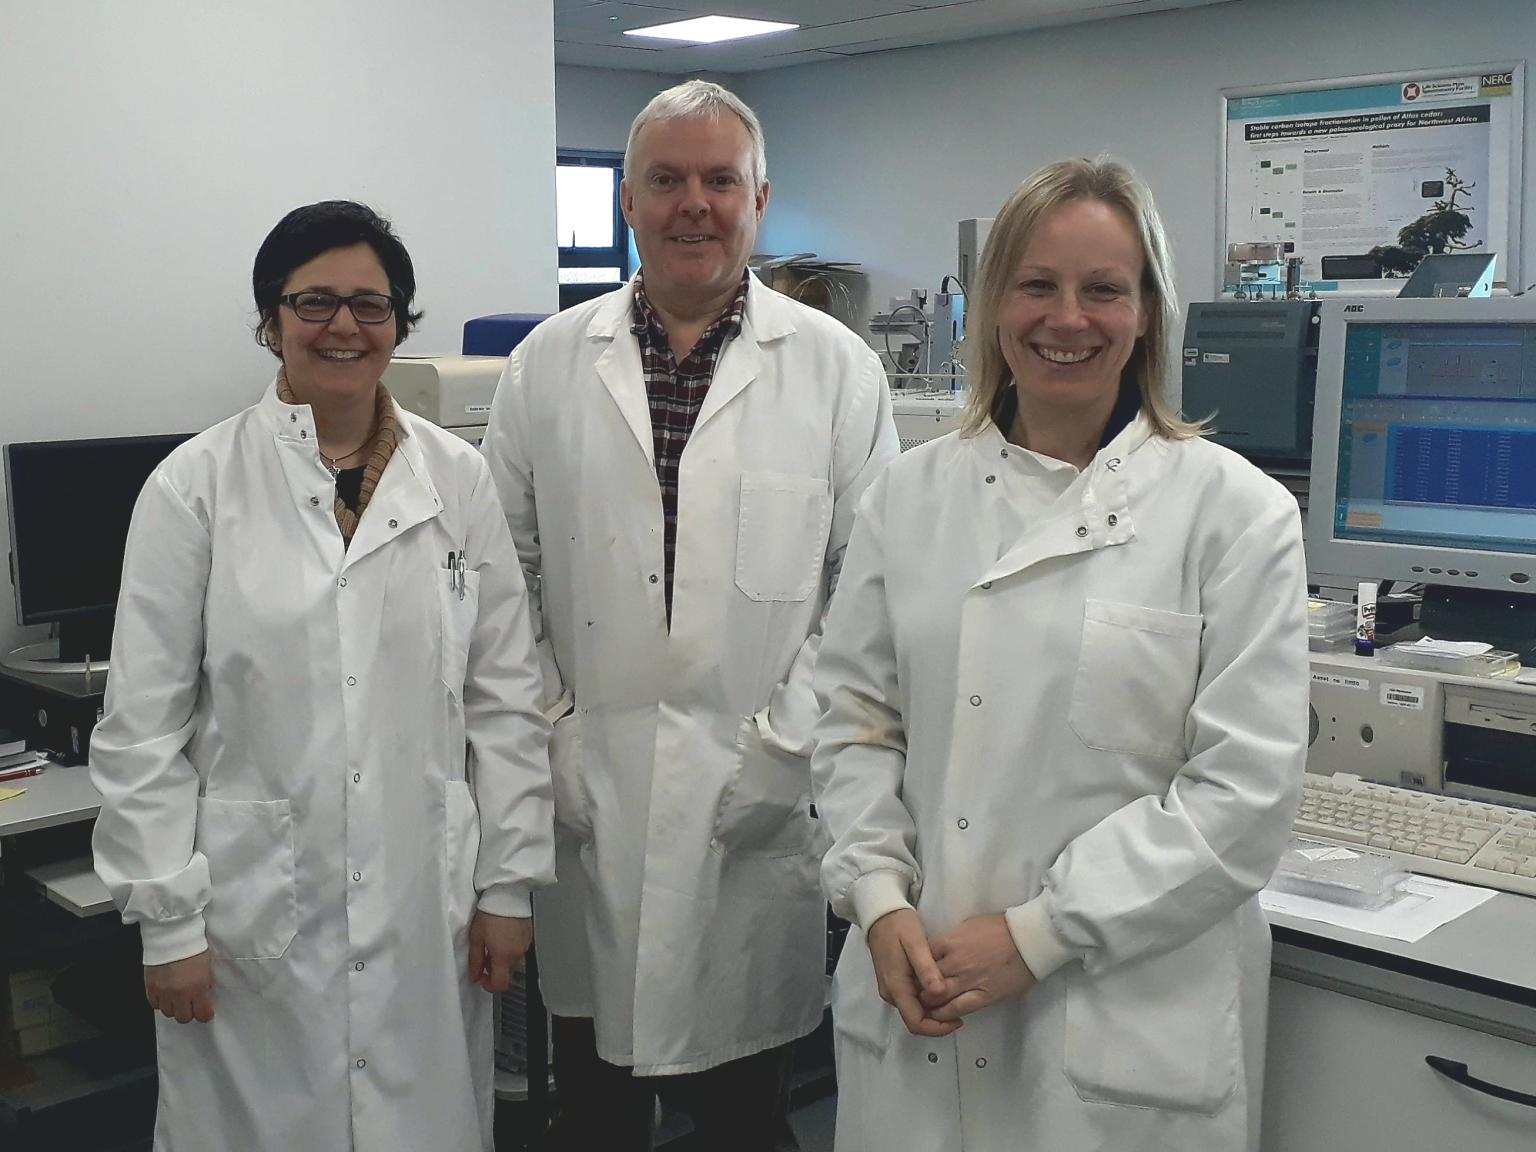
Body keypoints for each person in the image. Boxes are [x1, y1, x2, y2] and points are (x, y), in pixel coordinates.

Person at [811, 157, 1309, 1152]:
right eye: (1037, 285)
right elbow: (856, 726)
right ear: (995, 305)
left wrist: (1041, 937)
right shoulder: (908, 499)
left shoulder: (1236, 516)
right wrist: (875, 897)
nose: (1066, 319)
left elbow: (1241, 801)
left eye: (1103, 290)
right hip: (921, 998)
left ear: (1147, 312)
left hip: (1120, 1026)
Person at [482, 80, 898, 1149]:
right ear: (628, 200)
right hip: (591, 801)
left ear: (761, 197)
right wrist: (552, 733)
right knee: (593, 1111)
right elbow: (498, 583)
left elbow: (869, 590)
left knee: (746, 1120)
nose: (693, 204)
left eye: (720, 180)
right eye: (667, 180)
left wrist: (789, 751)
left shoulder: (835, 371)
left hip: (753, 812)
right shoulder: (545, 367)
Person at [90, 200, 555, 1152]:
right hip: (253, 917)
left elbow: (505, 701)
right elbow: (143, 728)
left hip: (425, 906)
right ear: (270, 320)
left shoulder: (457, 480)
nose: (344, 326)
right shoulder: (194, 488)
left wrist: (507, 887)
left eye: (371, 305)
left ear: (399, 324)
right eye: (315, 302)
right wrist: (167, 923)